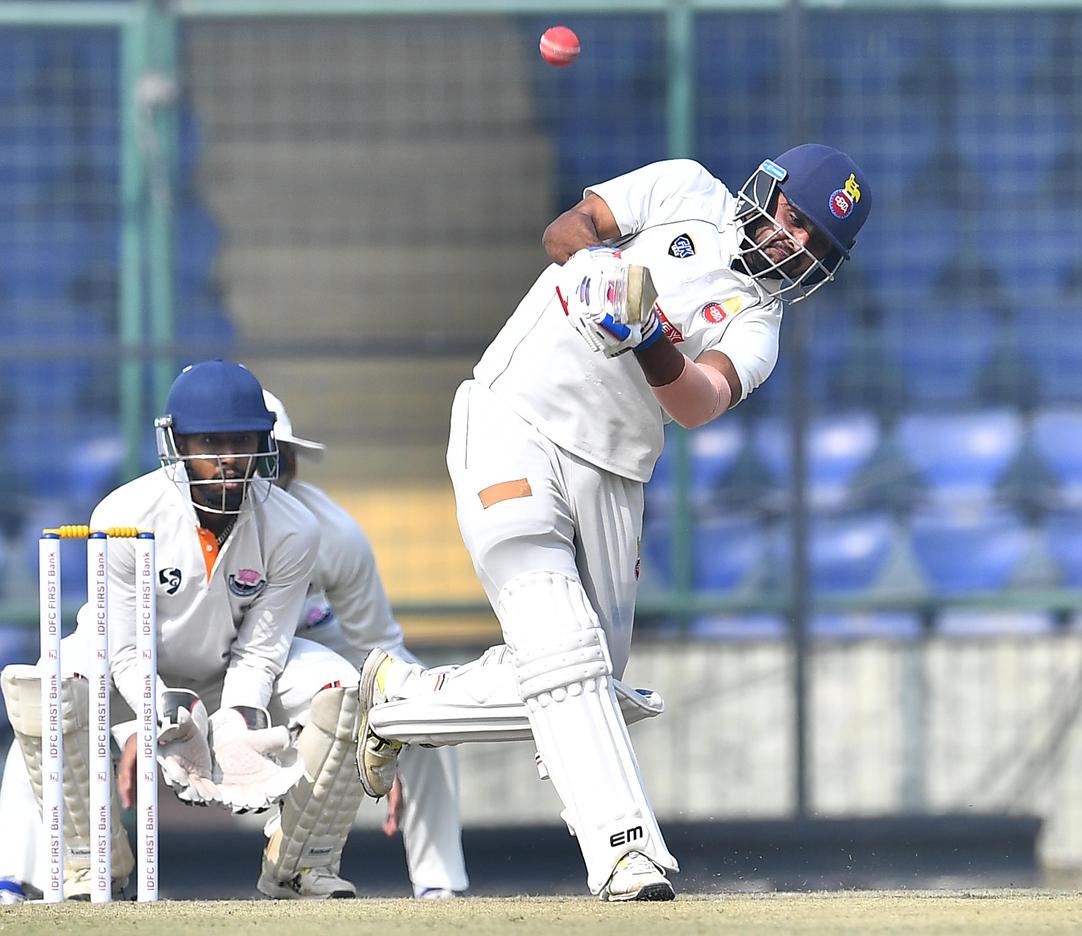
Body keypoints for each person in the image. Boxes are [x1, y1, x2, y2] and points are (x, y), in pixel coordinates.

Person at [353, 145, 873, 901]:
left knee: (592, 680)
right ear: (772, 188)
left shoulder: (759, 324)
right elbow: (567, 232)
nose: (794, 245)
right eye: (796, 221)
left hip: (614, 474)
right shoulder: (684, 187)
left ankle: (398, 700)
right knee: (563, 648)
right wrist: (601, 271)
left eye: (815, 247)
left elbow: (696, 402)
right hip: (514, 415)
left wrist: (646, 332)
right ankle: (627, 854)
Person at [0, 359, 367, 900]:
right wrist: (166, 714)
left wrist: (239, 720)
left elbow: (262, 650)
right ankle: (93, 863)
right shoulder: (124, 514)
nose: (226, 460)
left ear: (263, 444)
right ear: (177, 444)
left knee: (341, 688)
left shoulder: (293, 527)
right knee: (45, 687)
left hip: (225, 672)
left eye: (240, 441)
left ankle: (299, 864)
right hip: (124, 671)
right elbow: (123, 650)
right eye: (209, 443)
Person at [254, 389, 468, 898]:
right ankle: (29, 880)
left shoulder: (332, 532)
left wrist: (391, 734)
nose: (278, 473)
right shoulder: (174, 524)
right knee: (59, 699)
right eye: (264, 457)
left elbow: (381, 650)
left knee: (423, 704)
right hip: (211, 659)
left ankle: (439, 887)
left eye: (283, 458)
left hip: (310, 642)